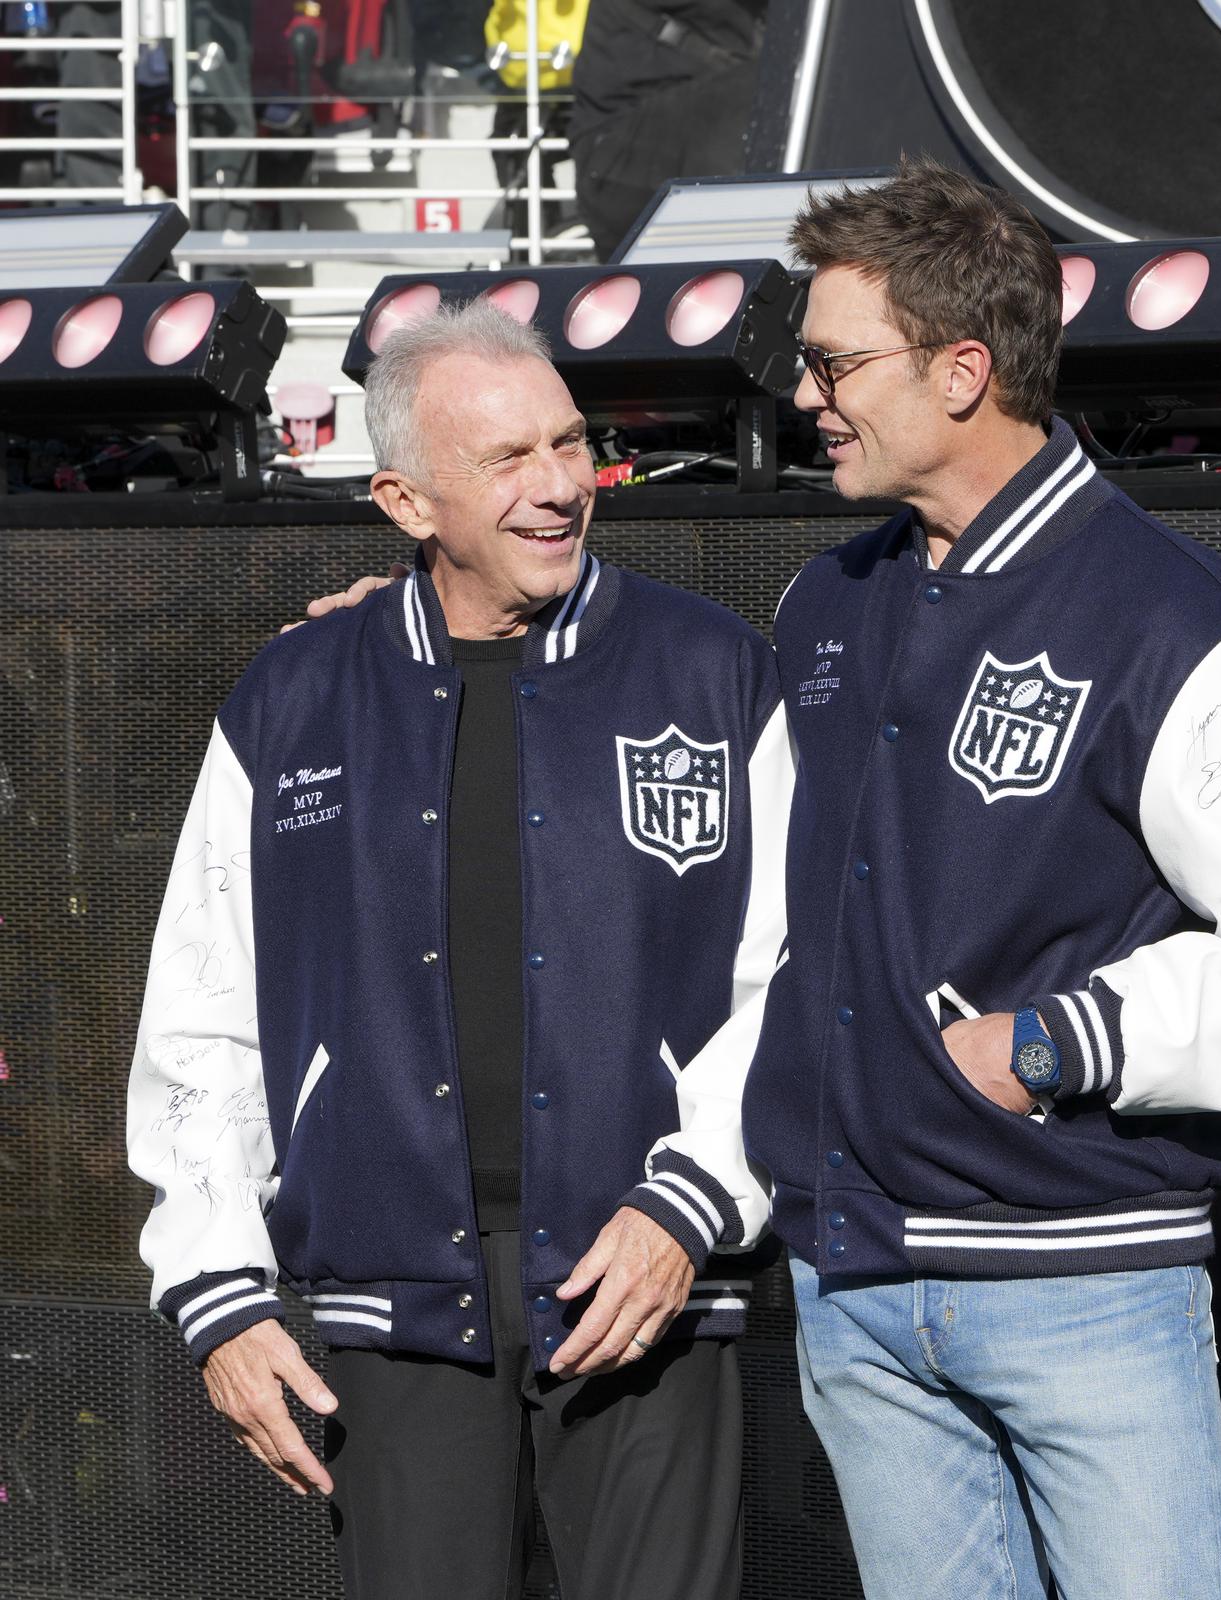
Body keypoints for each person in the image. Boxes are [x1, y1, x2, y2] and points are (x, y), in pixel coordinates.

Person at [636, 157, 1221, 1599]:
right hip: (852, 1287)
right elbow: (779, 937)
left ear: (964, 369)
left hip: (1085, 1283)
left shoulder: (1163, 614)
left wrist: (1056, 1043)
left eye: (838, 363)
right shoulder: (826, 600)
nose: (809, 397)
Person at [125, 300, 790, 1600]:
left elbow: (790, 976)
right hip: (393, 1300)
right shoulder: (294, 696)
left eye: (568, 445)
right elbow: (205, 1014)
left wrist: (687, 1205)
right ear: (405, 500)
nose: (558, 488)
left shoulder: (715, 674)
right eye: (507, 461)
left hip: (646, 1284)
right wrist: (215, 1284)